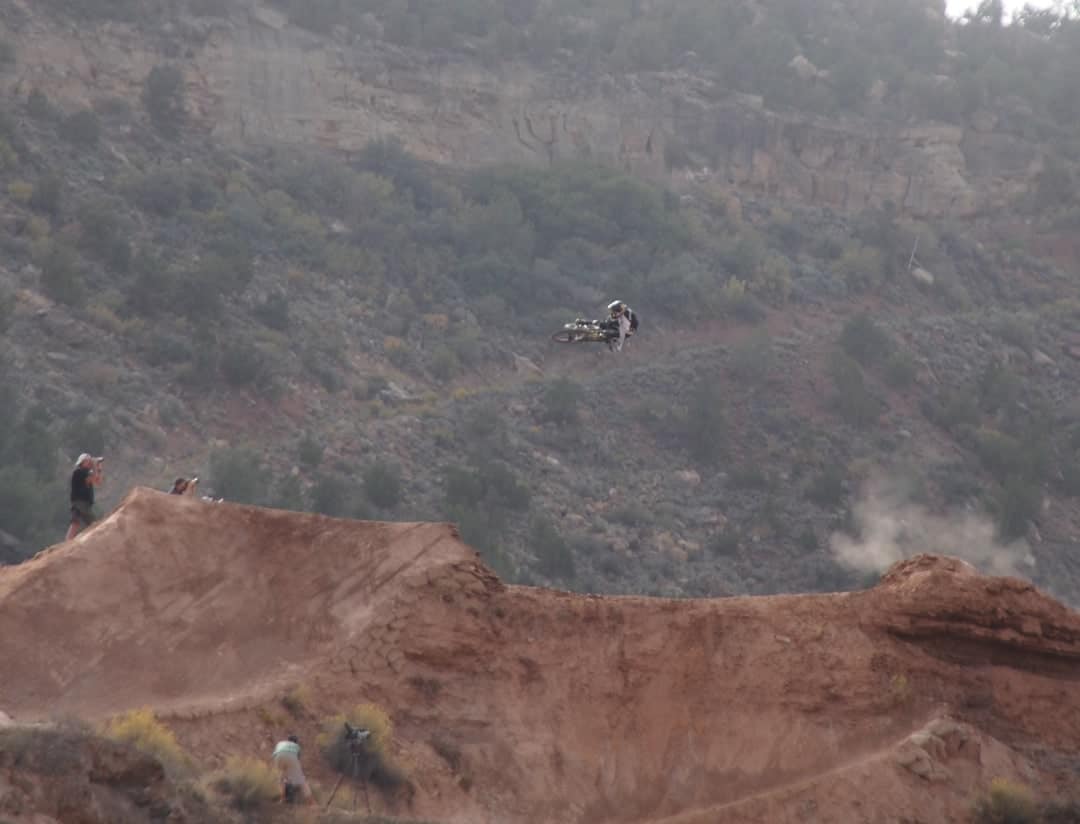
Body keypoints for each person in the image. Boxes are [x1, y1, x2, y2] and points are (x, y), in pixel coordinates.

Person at [66, 453, 104, 541]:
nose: (90, 462)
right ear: (82, 462)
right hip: (81, 503)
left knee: (75, 523)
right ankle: (91, 541)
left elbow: (98, 482)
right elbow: (92, 480)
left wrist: (98, 469)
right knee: (94, 524)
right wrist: (95, 466)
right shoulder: (79, 472)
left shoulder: (87, 472)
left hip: (79, 502)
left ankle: (68, 542)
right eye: (88, 460)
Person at [272, 734, 315, 806]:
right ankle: (312, 803)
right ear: (296, 742)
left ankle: (282, 799)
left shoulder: (280, 743)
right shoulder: (296, 746)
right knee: (302, 781)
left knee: (281, 779)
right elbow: (296, 759)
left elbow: (276, 752)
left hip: (278, 757)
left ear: (287, 740)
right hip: (290, 757)